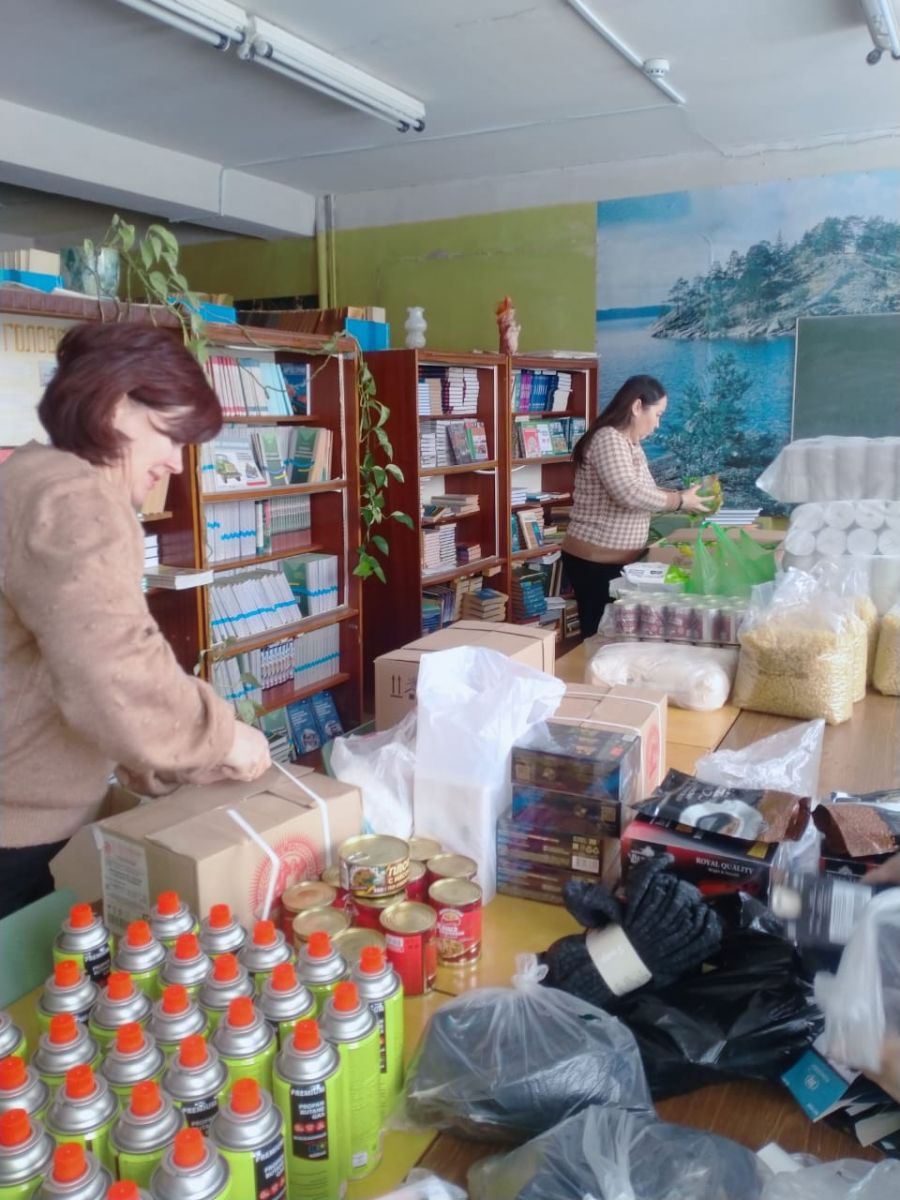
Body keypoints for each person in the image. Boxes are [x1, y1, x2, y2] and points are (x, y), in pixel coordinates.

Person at [0, 322, 272, 918]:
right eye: (169, 434)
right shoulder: (75, 498)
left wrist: (169, 763)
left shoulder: (30, 475)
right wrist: (223, 738)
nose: (175, 462)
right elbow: (115, 670)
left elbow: (69, 667)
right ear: (117, 406)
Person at [561, 374, 712, 638]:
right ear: (637, 406)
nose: (658, 424)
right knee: (600, 636)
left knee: (617, 635)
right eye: (657, 414)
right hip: (594, 561)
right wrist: (678, 501)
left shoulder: (631, 443)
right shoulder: (608, 439)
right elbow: (628, 493)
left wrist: (682, 497)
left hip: (616, 560)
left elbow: (645, 490)